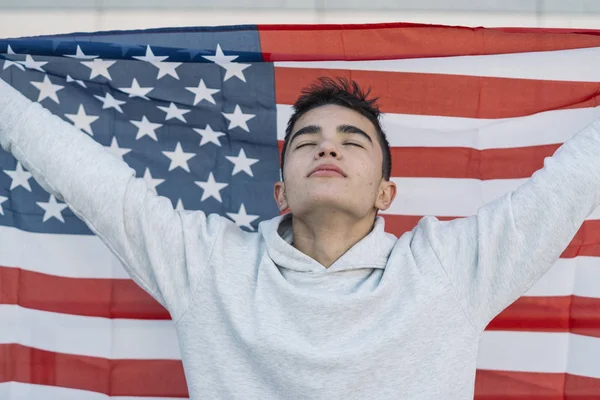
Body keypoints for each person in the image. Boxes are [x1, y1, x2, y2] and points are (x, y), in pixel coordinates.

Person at [1, 75, 599, 400]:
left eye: (352, 140)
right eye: (307, 141)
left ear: (385, 194)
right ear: (281, 191)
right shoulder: (207, 266)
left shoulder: (449, 269)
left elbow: (569, 183)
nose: (328, 146)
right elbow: (91, 179)